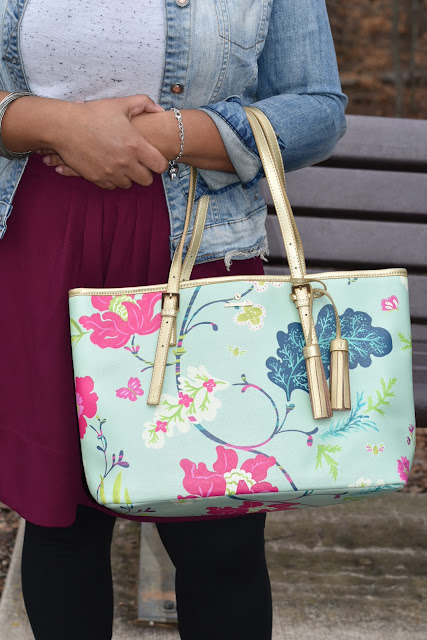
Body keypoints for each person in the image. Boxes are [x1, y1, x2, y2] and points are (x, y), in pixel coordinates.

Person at [0, 1, 347, 638]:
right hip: (44, 243)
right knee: (61, 525)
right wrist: (58, 124)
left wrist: (167, 135)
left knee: (219, 536)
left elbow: (318, 108)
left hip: (200, 244)